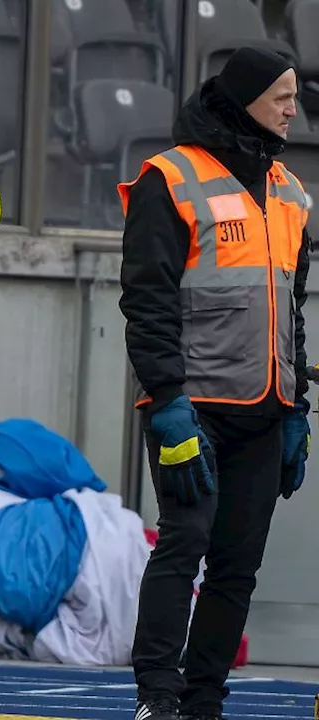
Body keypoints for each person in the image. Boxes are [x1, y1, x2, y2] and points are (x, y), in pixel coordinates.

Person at [118, 47, 311, 720]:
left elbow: (292, 309)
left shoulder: (289, 190)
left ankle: (203, 699)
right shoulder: (169, 178)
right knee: (185, 541)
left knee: (237, 564)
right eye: (282, 95)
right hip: (191, 406)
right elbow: (147, 301)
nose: (294, 108)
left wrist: (297, 409)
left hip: (265, 408)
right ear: (245, 97)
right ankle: (157, 694)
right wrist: (167, 401)